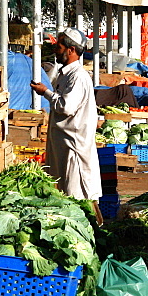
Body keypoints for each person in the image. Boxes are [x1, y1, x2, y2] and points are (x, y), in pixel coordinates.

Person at [30, 28, 102, 223]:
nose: (55, 50)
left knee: (77, 196)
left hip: (74, 148)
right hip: (64, 146)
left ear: (71, 50)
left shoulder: (77, 76)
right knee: (66, 193)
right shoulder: (65, 74)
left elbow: (66, 106)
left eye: (59, 47)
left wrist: (45, 92)